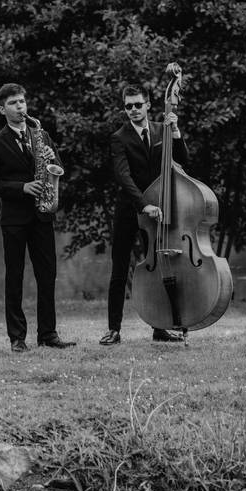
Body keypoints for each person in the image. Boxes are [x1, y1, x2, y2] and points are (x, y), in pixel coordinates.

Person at [0, 83, 75, 352]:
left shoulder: (40, 134)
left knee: (47, 276)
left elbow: (57, 165)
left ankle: (48, 334)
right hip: (14, 220)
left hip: (42, 216)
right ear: (2, 109)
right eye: (13, 103)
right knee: (15, 277)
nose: (20, 106)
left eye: (22, 101)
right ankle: (17, 338)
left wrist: (49, 155)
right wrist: (21, 187)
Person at [99, 85, 189, 345]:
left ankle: (160, 327)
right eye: (128, 106)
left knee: (161, 266)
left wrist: (176, 132)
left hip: (160, 210)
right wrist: (142, 205)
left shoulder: (163, 130)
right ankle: (114, 329)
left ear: (149, 104)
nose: (134, 110)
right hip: (130, 209)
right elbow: (123, 176)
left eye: (138, 104)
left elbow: (184, 160)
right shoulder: (119, 137)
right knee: (119, 269)